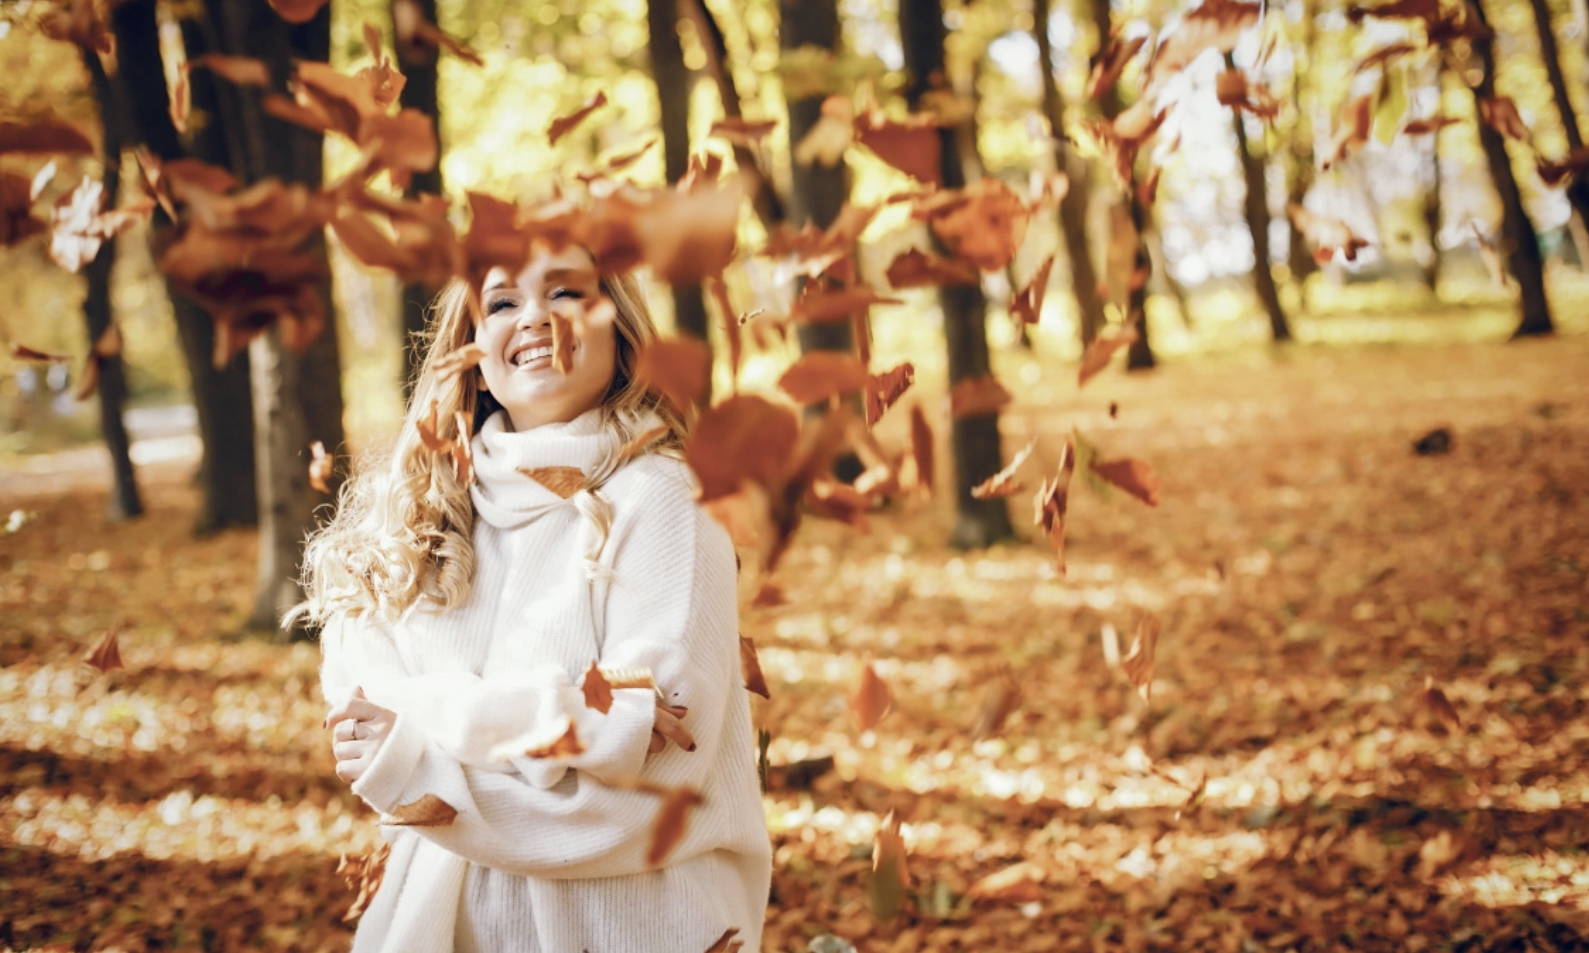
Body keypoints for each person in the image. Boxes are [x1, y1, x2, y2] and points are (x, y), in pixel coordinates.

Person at [294, 243, 771, 953]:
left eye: (566, 293)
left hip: (633, 929)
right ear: (470, 346)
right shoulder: (421, 513)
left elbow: (642, 790)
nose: (534, 317)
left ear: (618, 326)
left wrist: (421, 760)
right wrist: (572, 719)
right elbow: (360, 707)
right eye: (502, 302)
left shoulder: (668, 499)